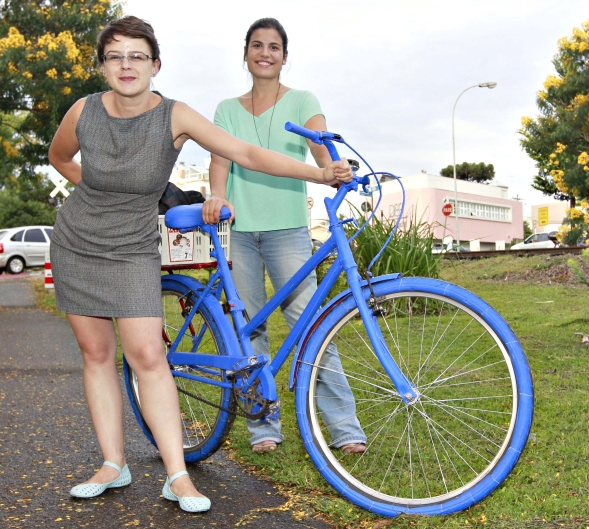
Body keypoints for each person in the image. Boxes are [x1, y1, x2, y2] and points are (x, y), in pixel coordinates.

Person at [47, 16, 352, 513]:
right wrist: (101, 191)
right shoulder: (82, 111)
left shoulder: (176, 115)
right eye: (115, 56)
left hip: (132, 246)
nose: (127, 65)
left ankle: (176, 475)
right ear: (103, 66)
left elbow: (247, 153)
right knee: (96, 354)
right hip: (78, 241)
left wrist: (318, 173)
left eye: (137, 56)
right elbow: (60, 157)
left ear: (155, 65)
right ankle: (111, 463)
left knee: (147, 354)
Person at [200, 18, 367, 455]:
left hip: (287, 232)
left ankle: (345, 429)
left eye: (274, 47)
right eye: (257, 45)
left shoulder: (302, 100)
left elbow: (319, 143)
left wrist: (333, 166)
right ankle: (263, 428)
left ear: (284, 57)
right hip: (241, 233)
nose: (265, 53)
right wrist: (217, 195)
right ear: (246, 54)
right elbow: (220, 163)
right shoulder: (226, 110)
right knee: (249, 334)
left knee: (312, 327)